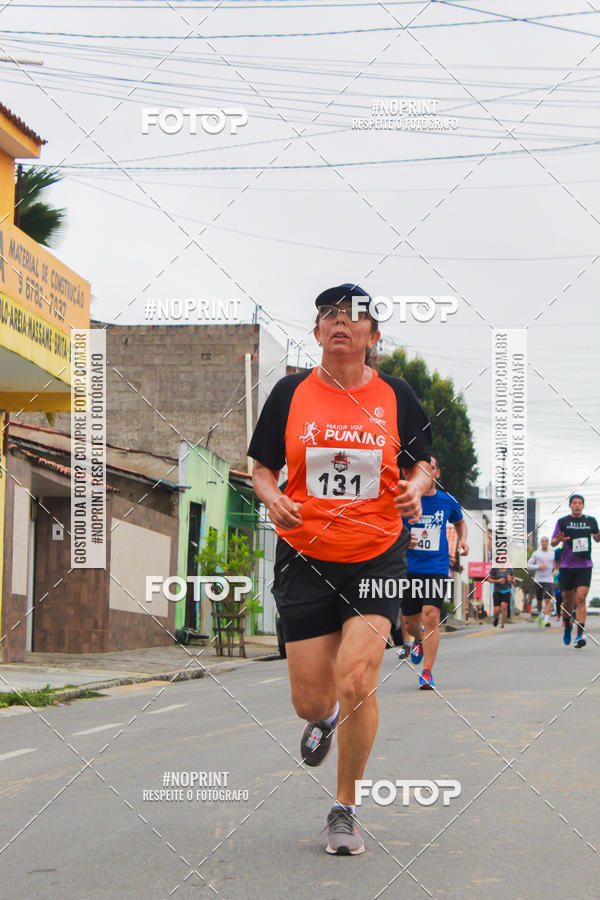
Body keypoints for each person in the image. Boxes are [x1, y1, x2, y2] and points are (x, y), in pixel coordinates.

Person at [248, 284, 432, 855]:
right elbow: (259, 466)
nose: (339, 324)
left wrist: (416, 489)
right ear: (317, 332)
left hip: (375, 555)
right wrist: (271, 495)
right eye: (328, 315)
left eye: (353, 318)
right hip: (303, 557)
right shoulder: (288, 393)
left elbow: (424, 463)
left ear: (373, 336)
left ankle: (344, 807)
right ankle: (323, 720)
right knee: (311, 698)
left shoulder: (397, 396)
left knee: (358, 678)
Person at [400, 455, 468, 689]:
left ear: (437, 473)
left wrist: (463, 541)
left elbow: (460, 523)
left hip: (436, 567)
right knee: (409, 623)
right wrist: (402, 540)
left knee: (431, 615)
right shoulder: (405, 500)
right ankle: (417, 640)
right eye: (421, 470)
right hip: (408, 568)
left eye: (430, 469)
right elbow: (390, 527)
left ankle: (427, 672)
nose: (427, 474)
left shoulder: (447, 501)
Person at [551, 494, 600, 649]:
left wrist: (598, 536)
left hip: (584, 565)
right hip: (566, 566)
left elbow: (597, 538)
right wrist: (558, 540)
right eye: (574, 503)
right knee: (567, 601)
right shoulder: (563, 522)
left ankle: (580, 634)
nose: (577, 505)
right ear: (570, 505)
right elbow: (553, 542)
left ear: (583, 505)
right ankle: (567, 624)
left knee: (581, 598)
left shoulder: (590, 521)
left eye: (580, 503)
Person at [528, 536, 556, 627]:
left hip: (549, 580)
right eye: (542, 541)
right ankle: (540, 615)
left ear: (548, 543)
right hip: (538, 579)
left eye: (546, 541)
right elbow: (529, 565)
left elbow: (557, 564)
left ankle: (546, 620)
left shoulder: (552, 554)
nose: (544, 543)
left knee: (547, 600)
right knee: (539, 600)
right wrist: (538, 567)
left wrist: (556, 570)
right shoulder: (536, 554)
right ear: (540, 543)